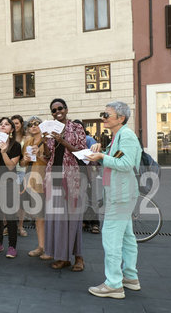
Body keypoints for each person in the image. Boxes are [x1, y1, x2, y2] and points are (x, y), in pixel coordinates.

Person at [86, 101, 142, 299]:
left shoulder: (125, 135)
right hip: (120, 193)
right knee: (127, 237)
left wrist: (102, 155)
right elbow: (117, 160)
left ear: (121, 118)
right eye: (103, 114)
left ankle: (113, 284)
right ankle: (130, 278)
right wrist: (101, 155)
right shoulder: (119, 135)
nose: (103, 118)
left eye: (107, 115)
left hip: (120, 195)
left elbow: (125, 163)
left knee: (111, 238)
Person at [43, 98, 87, 271]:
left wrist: (62, 140)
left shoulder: (76, 128)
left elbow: (81, 152)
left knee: (73, 219)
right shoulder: (50, 128)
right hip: (53, 175)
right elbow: (48, 155)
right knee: (58, 220)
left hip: (72, 176)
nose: (57, 112)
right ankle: (62, 257)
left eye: (60, 108)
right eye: (53, 110)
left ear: (66, 109)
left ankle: (79, 258)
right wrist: (45, 141)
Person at [0, 117, 22, 258]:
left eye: (7, 124)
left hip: (9, 183)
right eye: (1, 124)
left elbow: (11, 166)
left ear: (11, 129)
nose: (3, 126)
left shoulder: (16, 145)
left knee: (11, 216)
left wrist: (3, 152)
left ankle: (12, 246)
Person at [19, 116, 50, 257]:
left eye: (36, 123)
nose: (33, 126)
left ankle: (51, 248)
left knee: (49, 216)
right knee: (38, 217)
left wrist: (40, 156)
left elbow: (51, 162)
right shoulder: (28, 142)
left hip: (47, 181)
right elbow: (23, 164)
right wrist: (24, 160)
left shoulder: (48, 140)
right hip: (32, 182)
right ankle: (41, 246)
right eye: (30, 124)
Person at [11, 115, 28, 237]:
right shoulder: (7, 138)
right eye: (13, 123)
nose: (15, 125)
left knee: (21, 202)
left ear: (21, 124)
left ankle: (20, 226)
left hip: (22, 170)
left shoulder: (26, 138)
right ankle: (8, 226)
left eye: (17, 123)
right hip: (9, 172)